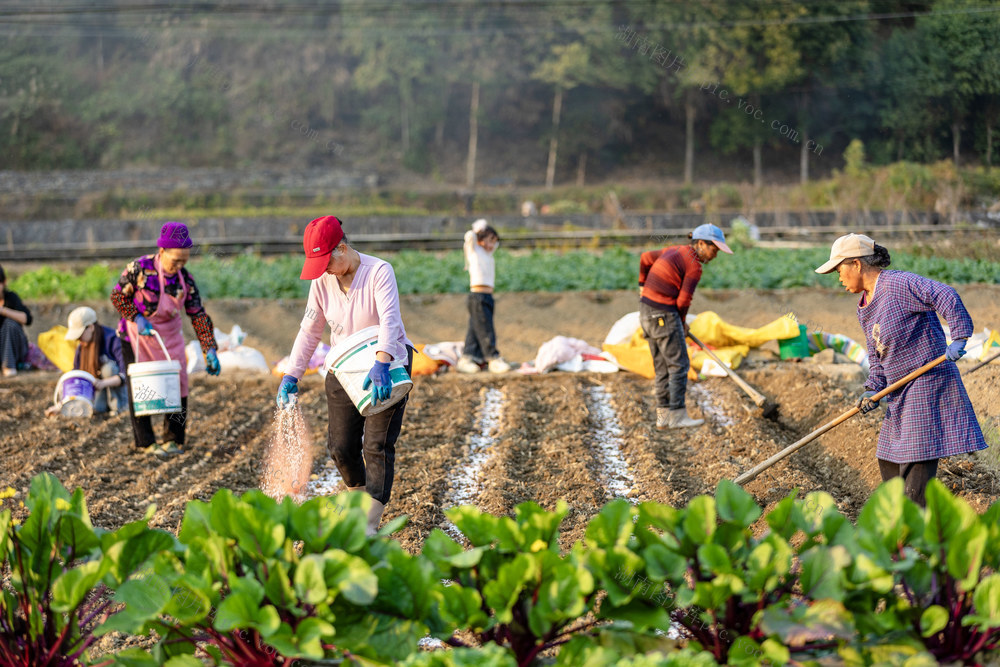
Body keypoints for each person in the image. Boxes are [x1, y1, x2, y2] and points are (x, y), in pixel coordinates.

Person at [815, 233, 987, 506]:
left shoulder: (899, 284)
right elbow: (876, 352)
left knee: (915, 457)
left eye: (839, 269)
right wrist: (873, 387)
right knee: (888, 457)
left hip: (927, 383)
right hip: (899, 390)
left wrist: (960, 337)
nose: (838, 277)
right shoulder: (864, 306)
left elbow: (945, 294)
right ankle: (898, 519)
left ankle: (913, 526)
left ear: (857, 264)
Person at [276, 216, 414, 536]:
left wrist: (382, 362)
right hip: (343, 364)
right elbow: (309, 330)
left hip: (386, 362)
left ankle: (368, 524)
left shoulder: (379, 271)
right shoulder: (322, 281)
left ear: (342, 248)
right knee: (340, 446)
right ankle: (359, 500)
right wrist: (291, 375)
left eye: (326, 261)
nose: (322, 270)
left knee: (376, 445)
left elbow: (390, 322)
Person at [110, 222, 221, 459]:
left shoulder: (186, 281)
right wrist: (136, 316)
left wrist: (209, 348)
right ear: (162, 252)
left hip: (169, 337)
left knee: (178, 386)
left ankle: (174, 440)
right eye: (175, 261)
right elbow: (118, 297)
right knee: (142, 388)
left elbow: (197, 313)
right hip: (137, 335)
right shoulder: (139, 269)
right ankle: (146, 441)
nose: (179, 266)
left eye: (184, 261)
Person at [639, 223, 733, 429]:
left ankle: (663, 418)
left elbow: (645, 257)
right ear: (700, 243)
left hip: (646, 312)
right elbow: (683, 302)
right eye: (714, 249)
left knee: (662, 367)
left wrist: (641, 288)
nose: (715, 255)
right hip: (664, 314)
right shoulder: (694, 266)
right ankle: (678, 416)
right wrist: (680, 324)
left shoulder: (673, 250)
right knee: (679, 365)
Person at [45, 306, 129, 416]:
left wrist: (103, 383)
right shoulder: (82, 347)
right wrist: (60, 406)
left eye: (79, 335)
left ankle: (120, 408)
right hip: (99, 389)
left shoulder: (112, 339)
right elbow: (76, 376)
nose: (78, 339)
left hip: (118, 388)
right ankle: (105, 408)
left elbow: (125, 373)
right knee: (97, 409)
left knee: (109, 369)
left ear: (90, 327)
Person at [457, 219, 511, 374]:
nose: (492, 245)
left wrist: (491, 237)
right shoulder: (474, 251)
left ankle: (467, 357)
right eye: (489, 241)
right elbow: (469, 236)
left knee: (476, 327)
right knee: (486, 329)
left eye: (494, 242)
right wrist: (480, 229)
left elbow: (496, 244)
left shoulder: (489, 254)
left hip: (487, 297)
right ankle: (492, 357)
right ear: (481, 240)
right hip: (477, 296)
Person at [0, 264, 32, 377]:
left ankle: (9, 365)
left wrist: (3, 311)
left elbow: (27, 319)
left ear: (3, 283)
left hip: (17, 349)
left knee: (9, 324)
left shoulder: (11, 298)